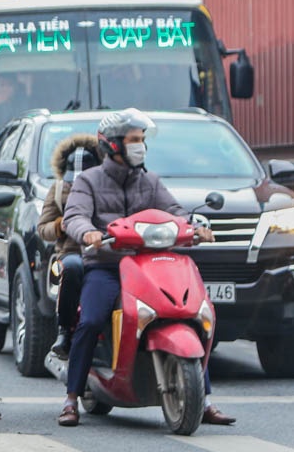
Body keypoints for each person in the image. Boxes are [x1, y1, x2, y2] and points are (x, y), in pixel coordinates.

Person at [59, 108, 233, 428]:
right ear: (113, 144)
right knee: (92, 319)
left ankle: (203, 399)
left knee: (190, 313)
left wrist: (195, 227)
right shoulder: (89, 180)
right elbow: (74, 216)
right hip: (108, 266)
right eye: (133, 140)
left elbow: (175, 212)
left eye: (142, 140)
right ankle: (72, 397)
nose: (140, 146)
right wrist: (88, 232)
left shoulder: (150, 181)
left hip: (150, 263)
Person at [38, 132, 101, 360]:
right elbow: (42, 228)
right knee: (72, 268)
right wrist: (59, 226)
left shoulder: (109, 187)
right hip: (70, 253)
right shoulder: (57, 190)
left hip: (106, 253)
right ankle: (64, 330)